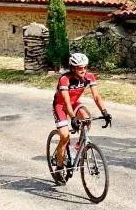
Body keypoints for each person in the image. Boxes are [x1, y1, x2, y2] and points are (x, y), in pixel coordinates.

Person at [52, 53, 112, 184]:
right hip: (61, 105)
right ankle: (59, 167)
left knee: (87, 118)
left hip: (74, 103)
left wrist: (105, 111)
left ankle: (78, 148)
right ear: (73, 68)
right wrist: (73, 118)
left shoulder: (89, 77)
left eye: (85, 67)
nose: (83, 70)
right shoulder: (65, 79)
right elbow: (66, 102)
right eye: (80, 68)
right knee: (64, 136)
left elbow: (96, 96)